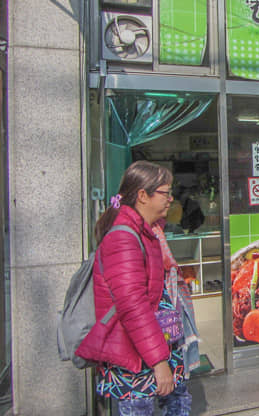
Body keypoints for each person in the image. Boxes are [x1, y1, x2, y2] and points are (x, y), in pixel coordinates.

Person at [76, 160, 195, 415]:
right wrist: (159, 361)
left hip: (149, 347)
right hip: (135, 357)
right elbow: (133, 307)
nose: (171, 199)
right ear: (143, 195)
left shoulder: (145, 232)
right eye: (165, 192)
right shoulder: (123, 237)